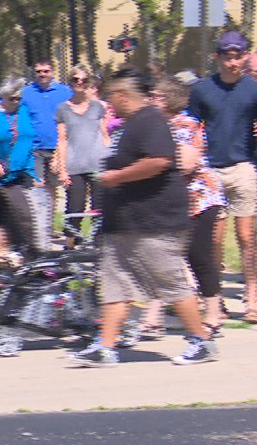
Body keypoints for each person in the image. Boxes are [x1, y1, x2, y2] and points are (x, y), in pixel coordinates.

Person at [68, 69, 218, 368]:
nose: (109, 101)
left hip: (154, 222)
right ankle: (105, 347)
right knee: (115, 284)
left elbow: (160, 160)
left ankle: (201, 340)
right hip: (126, 224)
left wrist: (116, 177)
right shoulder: (129, 125)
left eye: (111, 95)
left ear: (123, 95)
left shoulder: (149, 121)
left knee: (170, 282)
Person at [138, 79, 226, 338]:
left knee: (199, 258)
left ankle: (212, 316)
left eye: (154, 96)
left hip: (200, 199)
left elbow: (187, 163)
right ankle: (152, 319)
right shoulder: (155, 126)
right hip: (171, 202)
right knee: (160, 258)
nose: (149, 100)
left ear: (167, 99)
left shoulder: (186, 124)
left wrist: (152, 163)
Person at [188, 30, 257, 323]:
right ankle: (214, 300)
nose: (233, 63)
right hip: (212, 170)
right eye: (228, 57)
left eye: (238, 56)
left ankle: (252, 297)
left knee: (247, 237)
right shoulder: (203, 90)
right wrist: (194, 147)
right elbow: (190, 126)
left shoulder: (253, 88)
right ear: (217, 57)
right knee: (212, 240)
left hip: (243, 167)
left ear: (245, 57)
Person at [53, 65, 108, 248]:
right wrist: (62, 170)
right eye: (76, 80)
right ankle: (69, 244)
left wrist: (111, 162)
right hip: (74, 165)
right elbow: (62, 140)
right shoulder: (63, 109)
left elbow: (104, 135)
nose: (80, 83)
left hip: (97, 163)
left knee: (100, 207)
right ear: (70, 82)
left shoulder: (97, 107)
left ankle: (98, 245)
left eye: (84, 80)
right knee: (75, 207)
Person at [0, 78, 37, 238]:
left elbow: (29, 139)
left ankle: (17, 239)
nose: (16, 102)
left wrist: (33, 170)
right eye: (12, 99)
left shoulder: (23, 111)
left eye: (19, 98)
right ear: (3, 96)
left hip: (22, 168)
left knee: (23, 207)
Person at [21, 60, 72, 194]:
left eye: (46, 71)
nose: (42, 74)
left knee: (52, 187)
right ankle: (38, 214)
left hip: (56, 148)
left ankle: (49, 215)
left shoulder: (65, 92)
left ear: (52, 72)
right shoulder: (26, 93)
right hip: (34, 148)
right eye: (38, 71)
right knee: (36, 185)